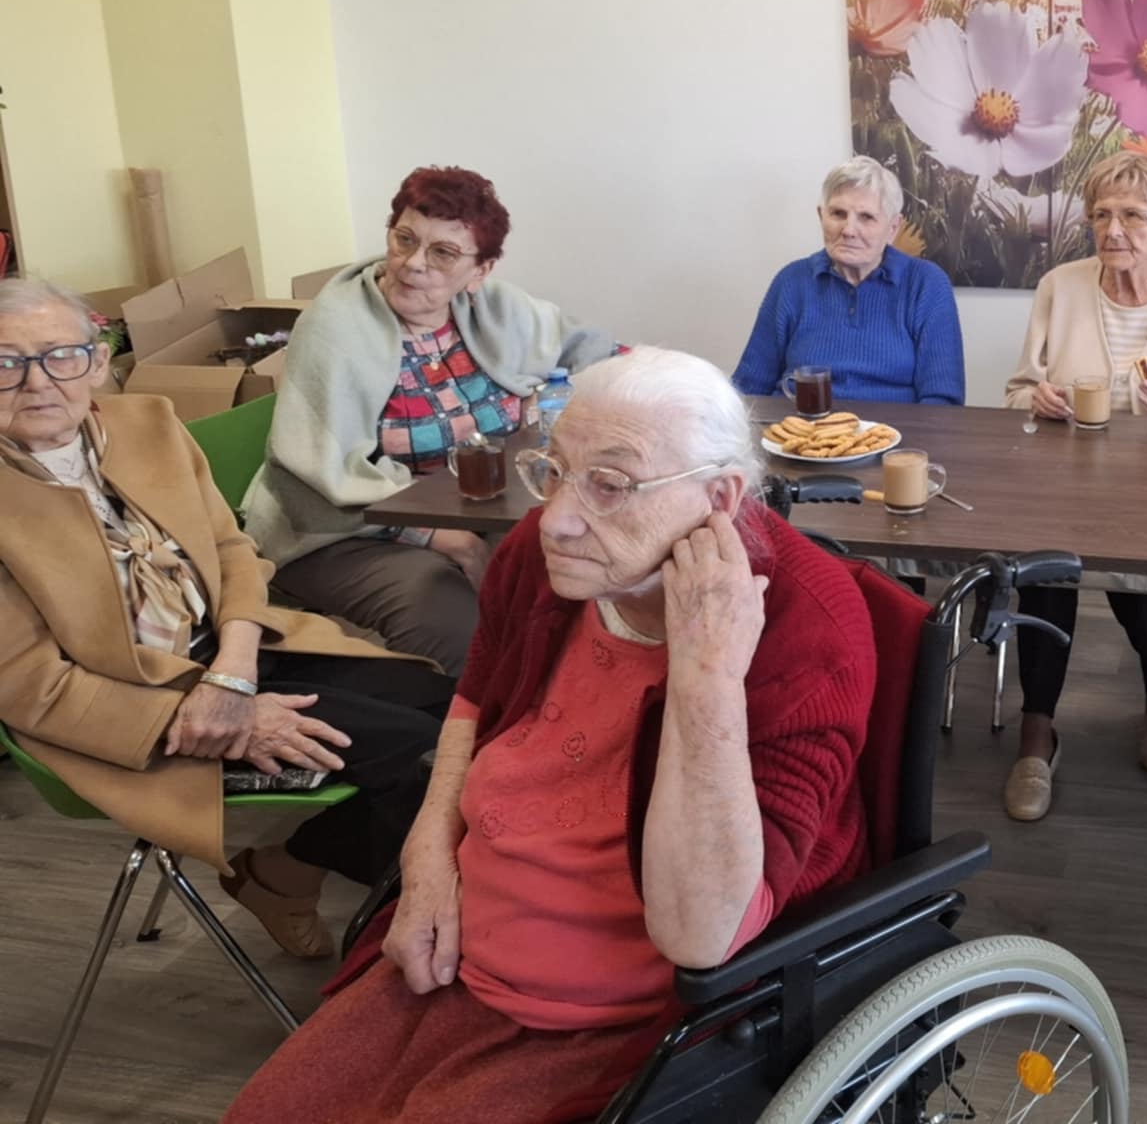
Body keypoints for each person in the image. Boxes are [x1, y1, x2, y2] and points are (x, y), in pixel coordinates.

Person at [225, 349, 877, 1124]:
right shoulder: (544, 557)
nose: (560, 519)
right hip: (458, 954)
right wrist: (426, 859)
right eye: (555, 470)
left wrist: (706, 670)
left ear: (719, 497)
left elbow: (701, 936)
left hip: (621, 1018)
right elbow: (475, 697)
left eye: (611, 484)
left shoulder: (809, 626)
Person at [0, 278, 450, 959]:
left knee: (464, 717)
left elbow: (233, 552)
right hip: (130, 710)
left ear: (97, 362)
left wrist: (234, 676)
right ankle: (417, 943)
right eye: (7, 363)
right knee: (425, 761)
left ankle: (287, 872)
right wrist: (210, 715)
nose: (38, 382)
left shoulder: (147, 424)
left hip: (234, 656)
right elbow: (31, 689)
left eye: (60, 355)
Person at [244, 166, 614, 676]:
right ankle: (463, 723)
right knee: (449, 618)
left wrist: (563, 397)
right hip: (341, 530)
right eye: (405, 239)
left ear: (480, 270)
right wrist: (442, 536)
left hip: (478, 513)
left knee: (582, 578)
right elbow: (321, 475)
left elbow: (598, 353)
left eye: (443, 252)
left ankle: (556, 711)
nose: (414, 263)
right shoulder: (335, 328)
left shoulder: (498, 308)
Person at [997, 152, 1147, 821]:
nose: (1113, 229)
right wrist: (1036, 399)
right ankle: (1037, 729)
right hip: (1065, 481)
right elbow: (1016, 392)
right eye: (1101, 214)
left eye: (1132, 215)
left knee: (1144, 581)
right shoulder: (1060, 286)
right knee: (1045, 572)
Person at [732, 156, 965, 406]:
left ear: (893, 228)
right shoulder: (791, 281)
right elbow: (748, 389)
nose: (848, 230)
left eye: (866, 217)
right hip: (800, 426)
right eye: (838, 214)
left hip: (895, 430)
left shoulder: (926, 284)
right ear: (821, 216)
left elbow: (943, 400)